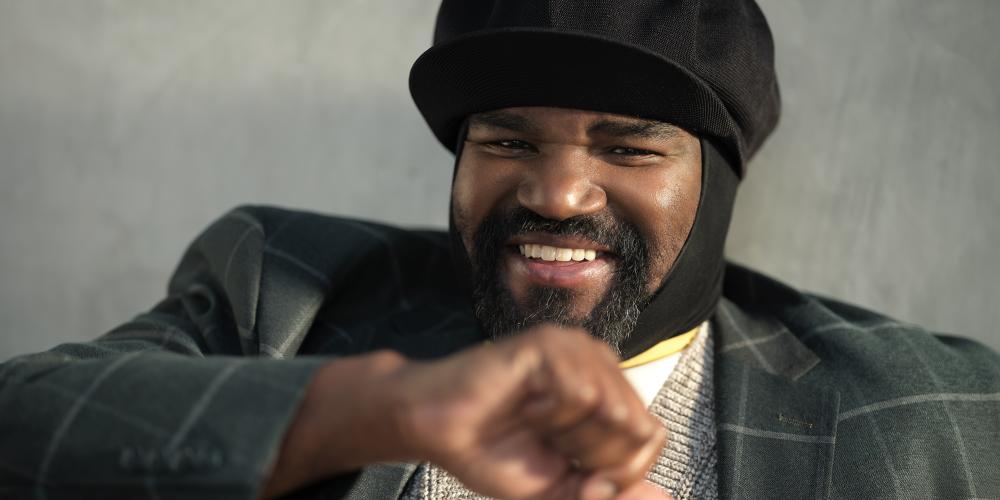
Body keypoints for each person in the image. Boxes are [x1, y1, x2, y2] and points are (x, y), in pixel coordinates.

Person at [1, 0, 998, 499]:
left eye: (626, 145)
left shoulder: (925, 409)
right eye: (507, 140)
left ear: (720, 177)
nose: (557, 193)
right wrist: (380, 406)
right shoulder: (286, 289)